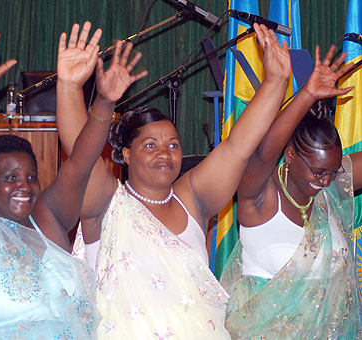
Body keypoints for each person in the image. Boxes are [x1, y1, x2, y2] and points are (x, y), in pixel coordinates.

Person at [56, 23, 290, 339]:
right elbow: (80, 158)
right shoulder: (107, 205)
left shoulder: (191, 197)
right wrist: (69, 87)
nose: (165, 153)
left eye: (173, 144)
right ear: (124, 154)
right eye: (150, 145)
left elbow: (238, 147)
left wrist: (276, 82)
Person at [0, 22, 122, 339]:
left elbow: (80, 163)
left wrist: (105, 102)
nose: (24, 186)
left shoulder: (47, 218)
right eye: (10, 178)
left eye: (31, 177)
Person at [220, 43, 362, 339]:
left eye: (332, 172)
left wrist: (330, 175)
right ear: (290, 155)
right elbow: (260, 154)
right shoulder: (259, 195)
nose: (325, 181)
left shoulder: (329, 189)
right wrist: (307, 94)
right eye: (317, 171)